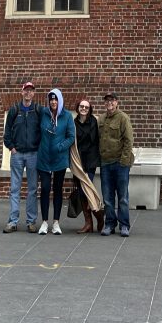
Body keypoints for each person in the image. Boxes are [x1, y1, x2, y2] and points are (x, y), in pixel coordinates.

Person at [2, 80, 41, 233]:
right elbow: (7, 133)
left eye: (31, 90)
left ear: (34, 93)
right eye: (26, 90)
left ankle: (31, 222)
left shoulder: (38, 110)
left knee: (32, 189)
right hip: (17, 154)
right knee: (15, 189)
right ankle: (12, 221)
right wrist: (11, 148)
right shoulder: (14, 110)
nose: (28, 93)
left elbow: (44, 130)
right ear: (22, 91)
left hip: (33, 154)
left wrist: (38, 149)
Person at [36, 87, 75, 235]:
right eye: (51, 99)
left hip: (59, 159)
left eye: (56, 99)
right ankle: (45, 222)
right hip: (44, 158)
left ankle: (56, 223)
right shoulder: (44, 114)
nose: (53, 101)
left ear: (60, 100)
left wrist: (60, 147)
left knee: (57, 189)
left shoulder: (67, 116)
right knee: (45, 188)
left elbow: (71, 136)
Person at [98, 91, 134, 237]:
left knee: (123, 197)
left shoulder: (123, 118)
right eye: (107, 101)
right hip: (105, 163)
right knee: (107, 197)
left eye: (112, 100)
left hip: (120, 163)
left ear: (117, 102)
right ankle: (109, 224)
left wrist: (124, 161)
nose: (109, 103)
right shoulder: (101, 119)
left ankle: (124, 225)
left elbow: (128, 141)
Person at [72, 98, 104, 233]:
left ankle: (99, 216)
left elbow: (96, 142)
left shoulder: (94, 122)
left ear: (90, 109)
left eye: (86, 107)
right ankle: (88, 222)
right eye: (81, 106)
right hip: (78, 162)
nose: (84, 109)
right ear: (78, 108)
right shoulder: (73, 124)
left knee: (87, 190)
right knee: (81, 192)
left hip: (90, 161)